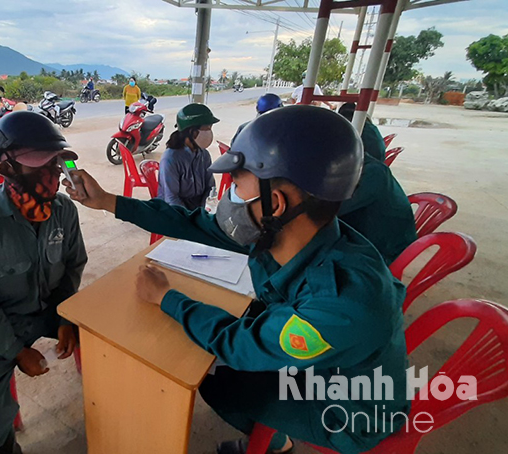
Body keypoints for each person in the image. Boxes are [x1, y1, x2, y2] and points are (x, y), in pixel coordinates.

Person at [64, 106, 409, 454]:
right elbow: (193, 223)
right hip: (328, 364)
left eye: (237, 184)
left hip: (347, 411)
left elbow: (237, 345)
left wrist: (167, 297)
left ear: (275, 202)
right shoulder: (300, 233)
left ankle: (276, 442)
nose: (229, 196)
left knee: (217, 379)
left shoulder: (339, 304)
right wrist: (109, 201)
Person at [0, 111, 88, 454]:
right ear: (7, 167)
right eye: (41, 164)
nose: (53, 173)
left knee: (115, 343)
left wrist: (66, 318)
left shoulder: (64, 211)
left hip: (51, 310)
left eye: (55, 162)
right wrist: (15, 350)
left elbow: (72, 268)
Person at [337, 103, 417, 264]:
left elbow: (331, 210)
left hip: (382, 248)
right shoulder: (358, 164)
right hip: (371, 233)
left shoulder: (371, 173)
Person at [158, 103, 218, 210]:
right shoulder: (170, 159)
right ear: (192, 132)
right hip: (174, 211)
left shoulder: (204, 155)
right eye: (207, 128)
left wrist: (202, 212)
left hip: (196, 209)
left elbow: (210, 187)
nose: (210, 132)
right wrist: (190, 218)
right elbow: (171, 198)